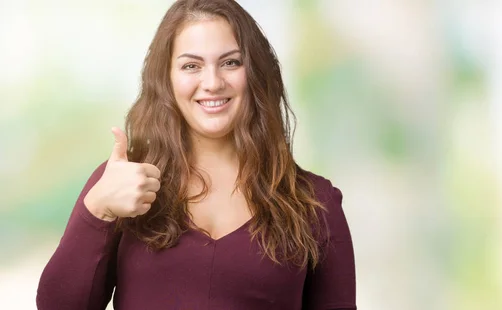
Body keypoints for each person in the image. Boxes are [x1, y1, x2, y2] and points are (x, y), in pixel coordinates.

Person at [36, 0, 356, 309]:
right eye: (191, 65)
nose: (212, 82)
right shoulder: (121, 183)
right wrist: (98, 210)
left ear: (255, 71)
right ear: (167, 78)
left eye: (231, 62)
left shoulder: (314, 202)